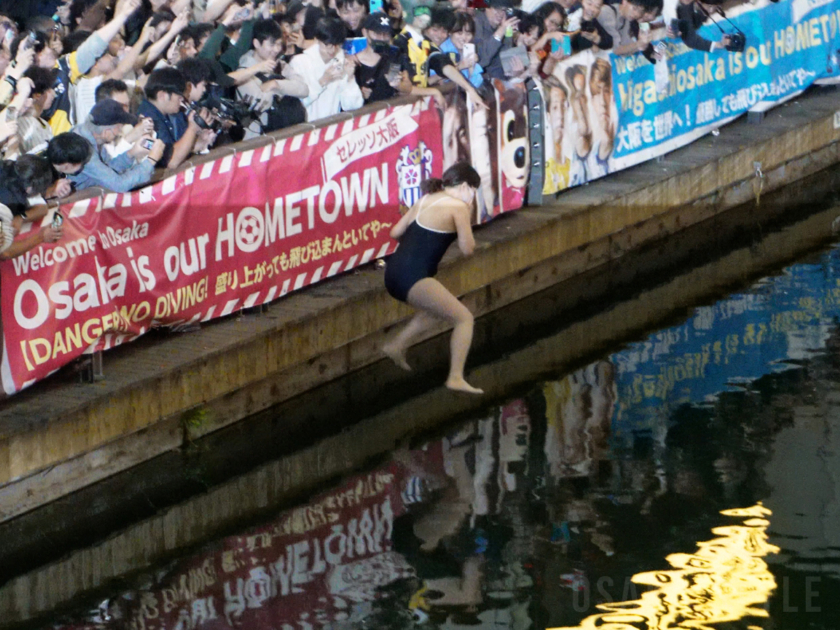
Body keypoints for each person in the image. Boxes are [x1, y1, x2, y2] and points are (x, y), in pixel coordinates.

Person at [382, 162, 483, 395]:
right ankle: (455, 377)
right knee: (464, 319)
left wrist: (418, 245)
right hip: (414, 278)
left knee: (436, 310)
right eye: (474, 191)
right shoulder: (458, 207)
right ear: (466, 186)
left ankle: (396, 346)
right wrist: (465, 216)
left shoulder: (426, 199)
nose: (473, 197)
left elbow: (395, 233)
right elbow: (468, 249)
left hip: (393, 273)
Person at [48, 99, 164, 192]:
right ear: (105, 132)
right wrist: (151, 161)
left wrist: (132, 153)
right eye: (118, 128)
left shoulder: (91, 135)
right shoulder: (84, 151)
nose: (120, 132)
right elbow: (119, 184)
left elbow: (108, 171)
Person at [285, 16, 364, 122]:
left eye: (338, 45)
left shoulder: (340, 61)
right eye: (328, 45)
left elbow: (353, 106)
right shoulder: (299, 62)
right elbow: (297, 104)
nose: (332, 50)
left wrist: (350, 80)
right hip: (305, 130)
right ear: (317, 40)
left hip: (332, 128)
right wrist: (322, 81)